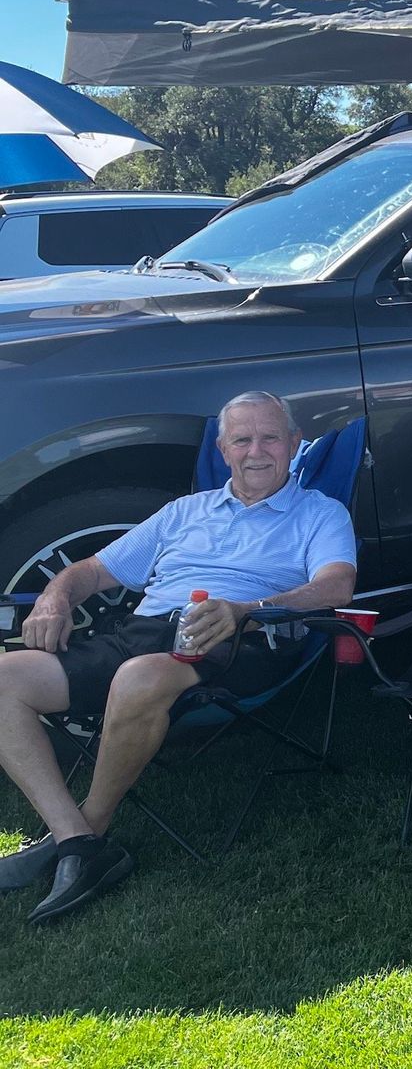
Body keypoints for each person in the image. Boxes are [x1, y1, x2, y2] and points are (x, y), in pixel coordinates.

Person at [0, 391, 356, 924]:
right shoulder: (185, 512)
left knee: (140, 678)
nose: (256, 450)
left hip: (242, 637)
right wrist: (55, 597)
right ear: (223, 449)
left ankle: (86, 836)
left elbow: (337, 585)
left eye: (270, 438)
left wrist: (247, 608)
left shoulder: (319, 513)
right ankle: (77, 841)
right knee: (6, 678)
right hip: (143, 632)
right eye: (242, 439)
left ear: (293, 444)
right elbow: (94, 571)